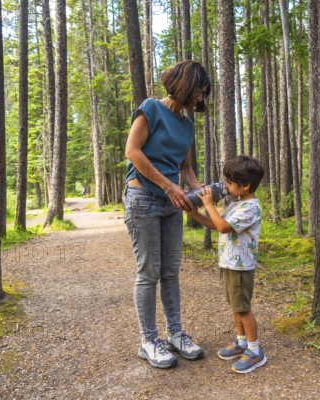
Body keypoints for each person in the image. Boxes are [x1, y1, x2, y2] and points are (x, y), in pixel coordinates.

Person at [124, 60, 211, 369]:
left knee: (171, 271)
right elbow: (133, 151)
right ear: (186, 85)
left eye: (203, 94)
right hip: (143, 199)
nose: (201, 99)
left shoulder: (187, 125)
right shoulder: (150, 108)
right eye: (199, 91)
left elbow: (185, 169)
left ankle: (176, 334)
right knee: (149, 272)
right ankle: (149, 341)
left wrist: (202, 191)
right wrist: (167, 185)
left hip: (171, 203)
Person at [187, 155, 267, 374]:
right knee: (234, 306)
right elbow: (216, 224)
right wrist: (193, 213)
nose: (226, 187)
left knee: (243, 308)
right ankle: (241, 341)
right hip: (230, 264)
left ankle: (255, 350)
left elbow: (223, 227)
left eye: (230, 183)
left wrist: (208, 203)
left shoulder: (251, 208)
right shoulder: (237, 203)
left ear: (246, 185)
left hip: (241, 267)